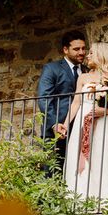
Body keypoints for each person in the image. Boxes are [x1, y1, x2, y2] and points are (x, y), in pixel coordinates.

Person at [63, 42, 108, 203]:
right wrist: (65, 123)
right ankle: (79, 201)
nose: (87, 55)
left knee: (101, 157)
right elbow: (76, 103)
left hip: (101, 124)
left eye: (91, 53)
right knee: (78, 157)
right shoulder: (83, 77)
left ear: (101, 55)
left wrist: (102, 111)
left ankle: (104, 203)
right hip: (81, 122)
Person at [37, 30, 87, 175]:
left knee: (76, 174)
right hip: (57, 130)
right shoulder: (52, 68)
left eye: (83, 48)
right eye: (76, 49)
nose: (81, 52)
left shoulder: (87, 71)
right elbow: (44, 98)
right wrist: (54, 123)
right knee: (53, 172)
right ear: (65, 50)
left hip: (80, 129)